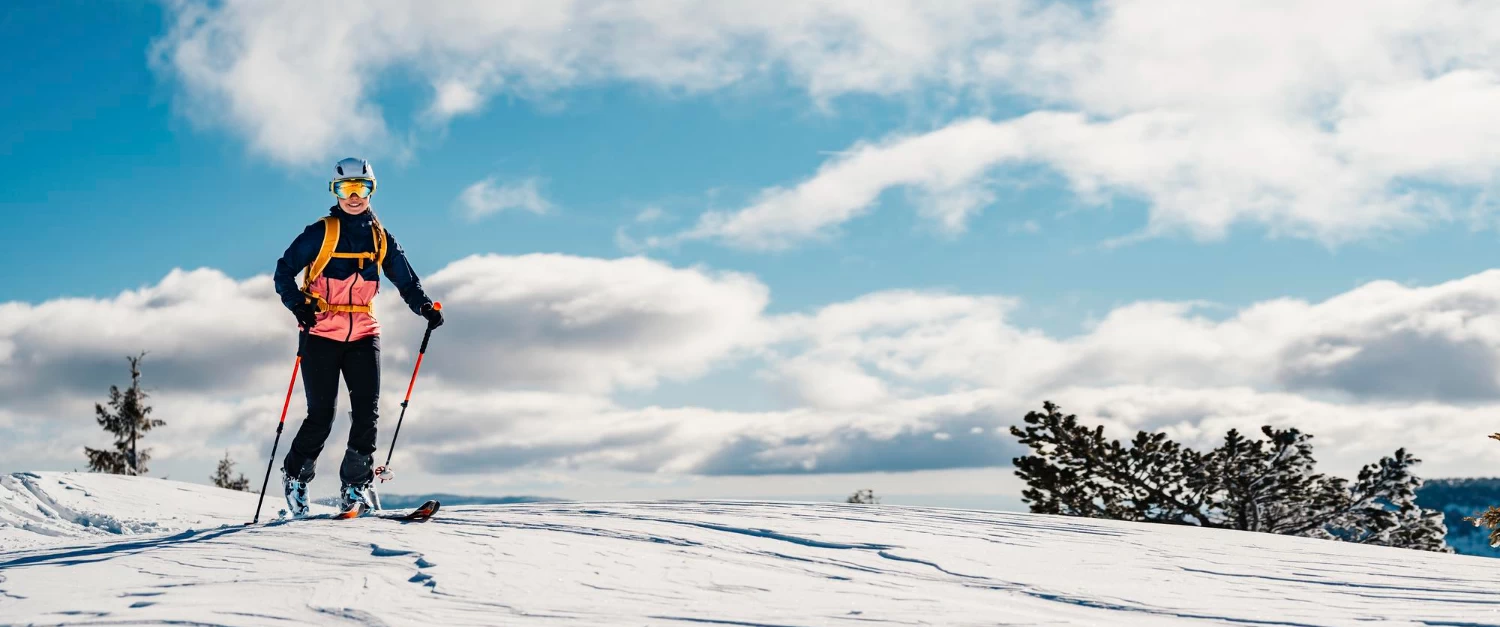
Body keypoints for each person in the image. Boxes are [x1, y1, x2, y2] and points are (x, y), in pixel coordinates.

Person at [272, 157, 443, 517]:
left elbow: (405, 279)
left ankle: (355, 486)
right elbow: (283, 271)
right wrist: (298, 304)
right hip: (320, 332)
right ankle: (296, 478)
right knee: (321, 415)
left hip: (364, 332)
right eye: (345, 188)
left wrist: (425, 307)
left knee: (367, 415)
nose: (353, 196)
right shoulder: (321, 232)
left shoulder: (380, 236)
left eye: (361, 188)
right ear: (335, 192)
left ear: (371, 190)